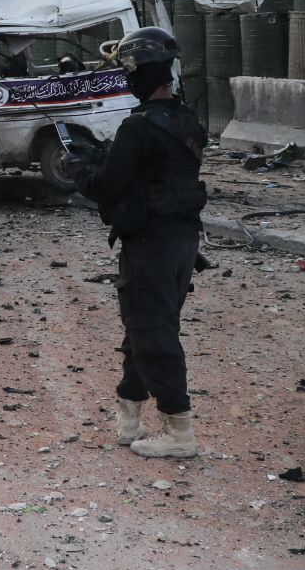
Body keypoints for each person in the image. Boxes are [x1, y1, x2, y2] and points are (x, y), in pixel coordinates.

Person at [68, 26, 208, 459]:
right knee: (144, 327)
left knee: (152, 331)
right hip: (183, 241)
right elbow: (152, 174)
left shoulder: (139, 126)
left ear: (139, 72)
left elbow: (107, 188)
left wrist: (80, 169)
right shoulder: (187, 120)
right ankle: (130, 416)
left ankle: (179, 431)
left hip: (151, 243)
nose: (127, 80)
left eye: (129, 71)